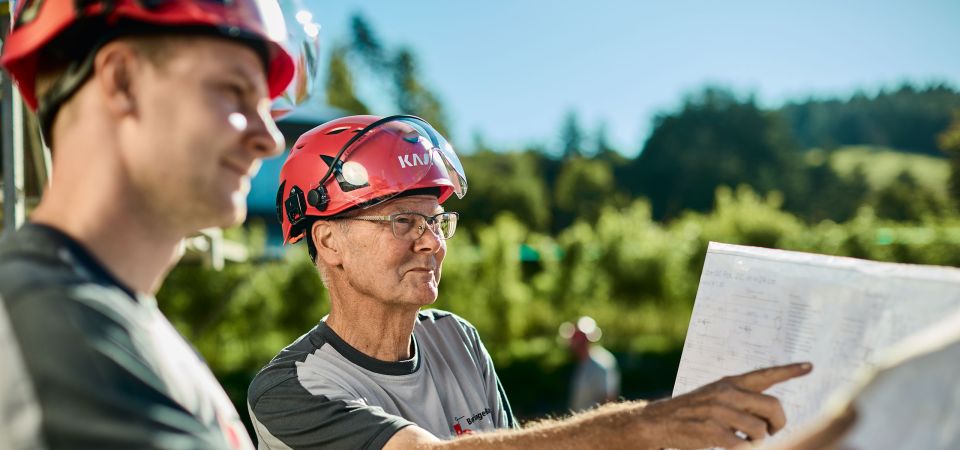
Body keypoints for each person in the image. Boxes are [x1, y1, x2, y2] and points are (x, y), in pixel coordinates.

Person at [248, 113, 813, 449]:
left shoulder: (456, 339)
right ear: (329, 242)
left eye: (437, 221)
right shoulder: (290, 390)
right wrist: (650, 425)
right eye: (403, 221)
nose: (432, 242)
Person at [0, 1, 302, 447]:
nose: (270, 139)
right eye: (234, 90)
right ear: (121, 80)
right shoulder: (50, 330)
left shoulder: (118, 324)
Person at [560, 316, 620, 412]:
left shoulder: (601, 362)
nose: (572, 340)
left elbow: (608, 399)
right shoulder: (583, 362)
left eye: (577, 336)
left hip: (596, 420)